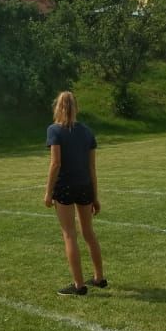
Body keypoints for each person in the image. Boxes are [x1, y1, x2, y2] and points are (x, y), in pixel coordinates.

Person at [44, 91, 106, 296]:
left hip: (65, 187)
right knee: (88, 232)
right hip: (85, 187)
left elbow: (56, 163)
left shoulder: (54, 130)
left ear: (58, 107)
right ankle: (99, 278)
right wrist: (95, 196)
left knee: (69, 234)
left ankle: (79, 285)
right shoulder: (87, 132)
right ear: (76, 107)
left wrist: (48, 192)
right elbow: (92, 168)